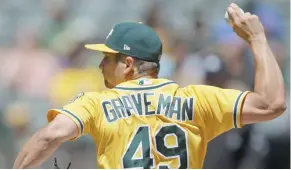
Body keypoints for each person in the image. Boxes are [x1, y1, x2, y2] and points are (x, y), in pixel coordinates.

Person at [13, 3, 286, 169]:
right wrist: (258, 39)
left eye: (107, 58)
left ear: (128, 64)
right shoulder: (197, 99)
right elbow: (272, 104)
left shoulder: (96, 103)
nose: (100, 65)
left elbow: (49, 136)